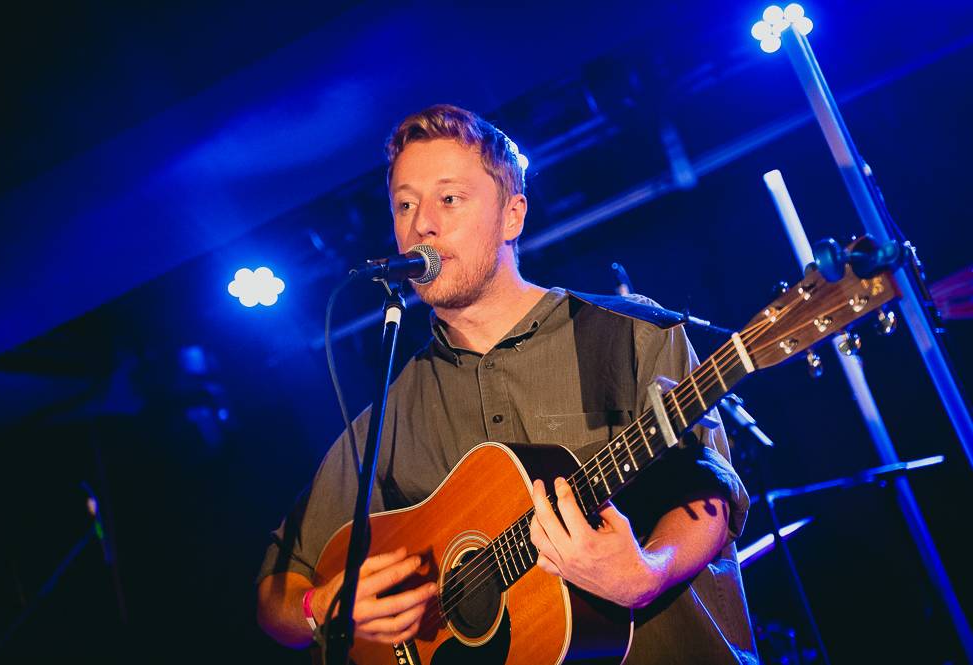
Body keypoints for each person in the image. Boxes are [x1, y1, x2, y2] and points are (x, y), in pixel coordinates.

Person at [256, 104, 757, 663]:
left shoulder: (628, 333)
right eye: (404, 204)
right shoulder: (387, 421)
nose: (422, 223)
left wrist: (648, 573)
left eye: (449, 199)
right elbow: (278, 590)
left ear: (512, 216)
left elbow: (712, 490)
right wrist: (320, 608)